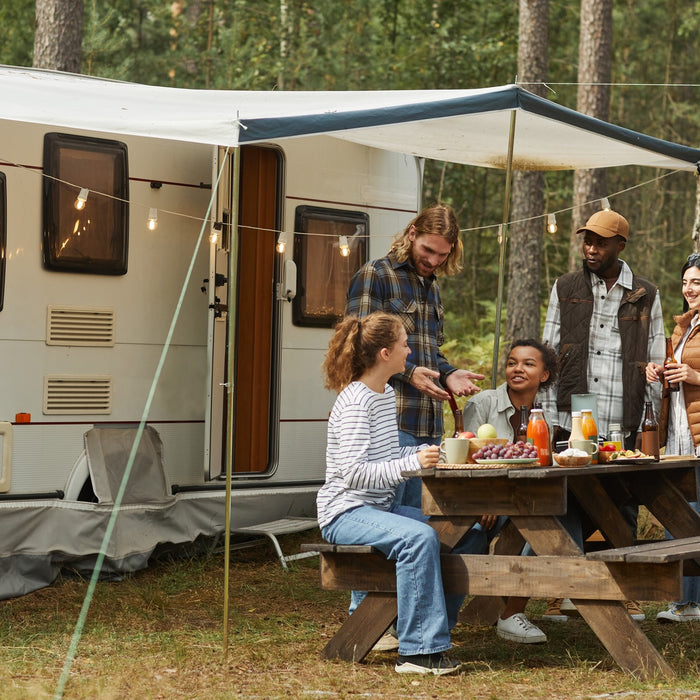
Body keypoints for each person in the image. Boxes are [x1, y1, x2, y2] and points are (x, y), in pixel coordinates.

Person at [317, 312, 489, 675]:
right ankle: (419, 653)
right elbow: (352, 475)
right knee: (419, 539)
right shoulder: (355, 402)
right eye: (404, 345)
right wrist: (409, 464)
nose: (409, 351)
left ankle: (427, 627)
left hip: (381, 508)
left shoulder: (384, 394)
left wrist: (428, 455)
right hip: (345, 512)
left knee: (468, 534)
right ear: (384, 353)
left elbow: (386, 457)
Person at [541, 209, 665, 622]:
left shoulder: (645, 293)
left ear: (620, 245)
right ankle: (566, 593)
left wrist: (652, 419)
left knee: (622, 503)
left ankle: (621, 593)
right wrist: (546, 412)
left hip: (624, 414)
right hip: (575, 410)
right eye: (586, 241)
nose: (591, 249)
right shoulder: (566, 286)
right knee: (569, 500)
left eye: (600, 242)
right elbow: (549, 351)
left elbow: (656, 359)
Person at [346, 204, 484, 507]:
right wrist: (410, 374)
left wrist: (448, 373)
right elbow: (358, 346)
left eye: (442, 255)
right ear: (412, 234)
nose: (433, 261)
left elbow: (431, 352)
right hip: (390, 421)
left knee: (424, 515)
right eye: (428, 250)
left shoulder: (431, 287)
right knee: (395, 517)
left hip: (429, 427)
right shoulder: (376, 274)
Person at [463, 339, 561, 643]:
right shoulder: (483, 404)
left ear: (544, 375)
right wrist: (490, 498)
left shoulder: (546, 415)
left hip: (522, 501)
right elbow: (468, 459)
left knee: (560, 515)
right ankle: (512, 611)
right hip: (478, 503)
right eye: (512, 362)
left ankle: (512, 612)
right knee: (542, 519)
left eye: (528, 363)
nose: (517, 368)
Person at [645, 252, 700, 623]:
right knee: (677, 511)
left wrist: (693, 376)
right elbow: (677, 372)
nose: (689, 288)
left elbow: (693, 374)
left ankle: (691, 602)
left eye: (696, 281)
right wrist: (659, 370)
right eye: (685, 281)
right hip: (680, 431)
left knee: (696, 514)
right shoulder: (684, 326)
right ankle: (681, 600)